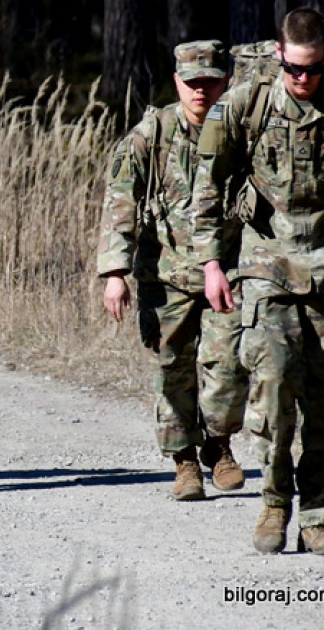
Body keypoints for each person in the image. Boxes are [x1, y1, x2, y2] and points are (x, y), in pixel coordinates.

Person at [195, 7, 324, 554]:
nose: (303, 79)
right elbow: (209, 182)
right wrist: (210, 264)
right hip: (265, 264)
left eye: (313, 69)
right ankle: (274, 503)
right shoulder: (247, 102)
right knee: (272, 387)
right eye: (294, 68)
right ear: (279, 55)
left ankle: (316, 511)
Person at [97, 40, 247, 502]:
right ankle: (184, 462)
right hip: (165, 275)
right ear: (177, 82)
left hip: (229, 270)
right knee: (172, 371)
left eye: (211, 82)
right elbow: (120, 199)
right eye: (192, 83)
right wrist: (115, 272)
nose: (201, 92)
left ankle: (219, 446)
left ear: (226, 81)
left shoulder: (241, 130)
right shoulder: (152, 133)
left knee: (229, 365)